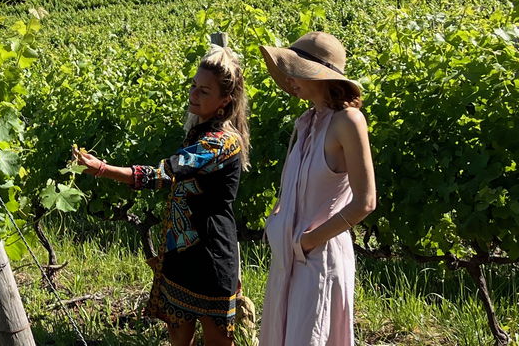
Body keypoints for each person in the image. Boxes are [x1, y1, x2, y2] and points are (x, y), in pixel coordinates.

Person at [73, 42, 252, 346]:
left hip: (211, 258)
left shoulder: (220, 143)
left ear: (226, 100)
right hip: (183, 254)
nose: (193, 94)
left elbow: (165, 173)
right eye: (194, 86)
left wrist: (104, 169)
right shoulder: (201, 131)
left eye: (204, 91)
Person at [257, 32, 378, 346]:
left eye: (296, 69)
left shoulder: (348, 121)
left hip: (318, 255)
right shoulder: (306, 122)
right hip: (289, 254)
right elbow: (291, 190)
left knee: (308, 337)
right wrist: (278, 222)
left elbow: (366, 201)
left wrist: (309, 241)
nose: (289, 78)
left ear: (321, 76)